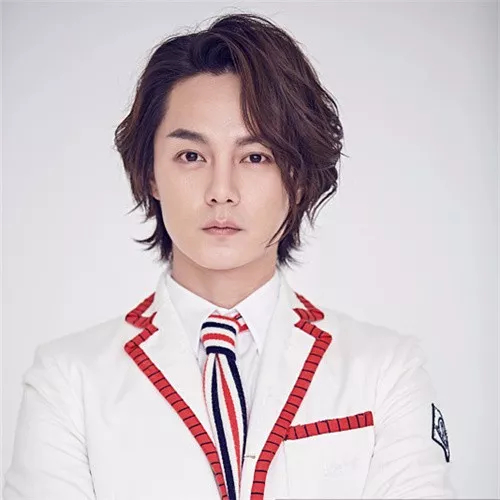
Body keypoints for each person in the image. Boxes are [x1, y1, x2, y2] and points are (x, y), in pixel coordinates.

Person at [3, 11, 454, 500]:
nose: (221, 190)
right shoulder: (68, 381)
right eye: (191, 156)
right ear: (150, 173)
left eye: (255, 157)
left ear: (298, 178)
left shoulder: (384, 370)